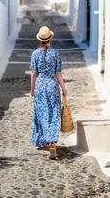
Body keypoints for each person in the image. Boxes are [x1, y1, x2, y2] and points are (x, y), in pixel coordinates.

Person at [30, 25, 68, 159]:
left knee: (42, 113)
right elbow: (59, 73)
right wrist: (64, 88)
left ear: (40, 39)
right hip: (52, 86)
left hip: (40, 86)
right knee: (53, 113)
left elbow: (33, 74)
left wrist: (32, 89)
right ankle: (52, 142)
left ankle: (45, 141)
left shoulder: (35, 54)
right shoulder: (55, 53)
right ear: (50, 39)